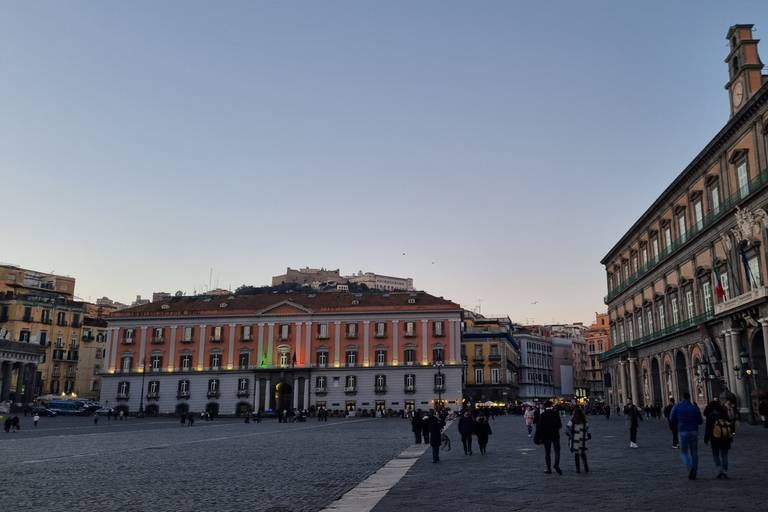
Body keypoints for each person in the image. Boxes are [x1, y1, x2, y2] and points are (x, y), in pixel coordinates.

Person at [670, 392, 704, 480]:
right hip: (694, 431)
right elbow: (700, 421)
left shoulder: (676, 407)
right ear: (689, 398)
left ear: (681, 398)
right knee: (694, 453)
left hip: (682, 431)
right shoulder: (694, 407)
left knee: (683, 452)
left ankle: (690, 466)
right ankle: (695, 470)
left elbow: (672, 419)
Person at [704, 397, 733, 479]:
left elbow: (708, 429)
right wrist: (731, 438)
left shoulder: (711, 416)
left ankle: (719, 468)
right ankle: (725, 471)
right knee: (724, 455)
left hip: (715, 438)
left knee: (715, 454)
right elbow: (730, 426)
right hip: (725, 438)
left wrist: (706, 439)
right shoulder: (724, 414)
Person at [536, 400, 562, 474]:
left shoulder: (543, 415)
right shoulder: (555, 414)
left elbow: (539, 426)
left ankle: (548, 468)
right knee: (557, 450)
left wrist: (539, 436)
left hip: (546, 435)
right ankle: (556, 464)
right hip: (555, 435)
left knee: (547, 452)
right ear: (551, 405)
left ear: (544, 406)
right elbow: (560, 425)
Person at [566, 407, 589, 473]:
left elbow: (567, 429)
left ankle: (578, 468)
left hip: (575, 439)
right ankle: (585, 464)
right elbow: (587, 428)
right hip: (583, 439)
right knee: (583, 453)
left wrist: (570, 435)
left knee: (576, 454)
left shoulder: (572, 420)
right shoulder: (584, 420)